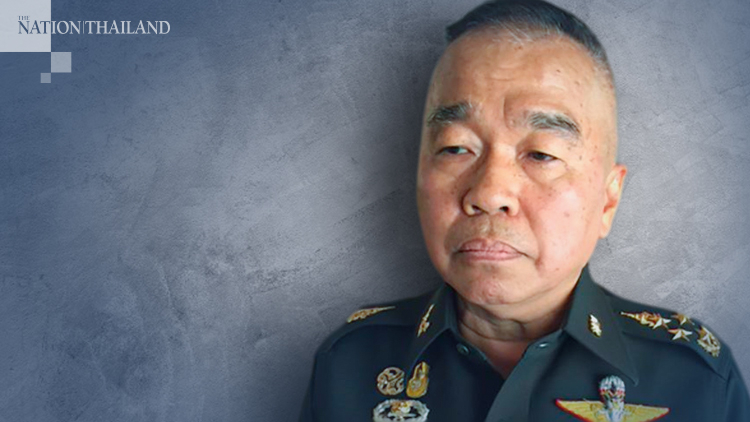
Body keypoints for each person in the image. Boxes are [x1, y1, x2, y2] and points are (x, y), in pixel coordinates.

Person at [298, 1, 750, 421]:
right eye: (455, 147)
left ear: (608, 199)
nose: (489, 193)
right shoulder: (349, 366)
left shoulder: (698, 383)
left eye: (541, 154)